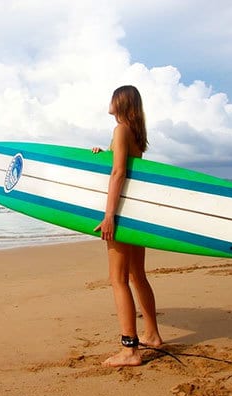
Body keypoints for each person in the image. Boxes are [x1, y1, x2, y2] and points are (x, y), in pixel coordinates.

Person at [92, 85, 163, 367]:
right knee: (138, 276)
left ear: (120, 102)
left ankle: (130, 349)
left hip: (120, 213)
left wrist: (109, 216)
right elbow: (122, 165)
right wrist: (102, 154)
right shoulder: (133, 133)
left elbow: (119, 172)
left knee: (118, 280)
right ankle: (152, 335)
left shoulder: (120, 129)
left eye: (112, 98)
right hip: (135, 213)